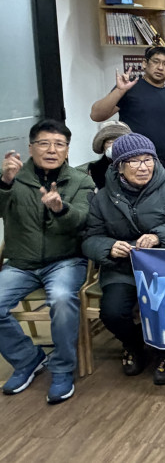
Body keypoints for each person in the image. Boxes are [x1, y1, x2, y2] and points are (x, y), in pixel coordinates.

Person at [83, 133, 165, 386]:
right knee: (112, 312)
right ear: (119, 167)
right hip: (122, 268)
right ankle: (134, 344)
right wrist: (108, 247)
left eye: (148, 160)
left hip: (164, 265)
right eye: (134, 161)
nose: (143, 167)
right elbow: (90, 238)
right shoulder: (103, 197)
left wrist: (159, 236)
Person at [0, 120, 94, 403]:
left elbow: (84, 220)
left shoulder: (80, 180)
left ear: (67, 150)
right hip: (21, 263)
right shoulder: (13, 177)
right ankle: (27, 358)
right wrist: (5, 183)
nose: (52, 150)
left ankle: (62, 368)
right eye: (44, 143)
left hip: (66, 260)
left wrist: (60, 209)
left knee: (62, 299)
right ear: (31, 148)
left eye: (59, 144)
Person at [90, 46, 165, 174]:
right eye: (155, 62)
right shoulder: (130, 88)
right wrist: (119, 91)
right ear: (145, 63)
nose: (160, 67)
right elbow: (96, 115)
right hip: (132, 162)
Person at [82, 121, 132, 191]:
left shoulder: (137, 165)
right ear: (103, 146)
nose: (114, 145)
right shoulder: (95, 170)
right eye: (110, 142)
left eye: (119, 141)